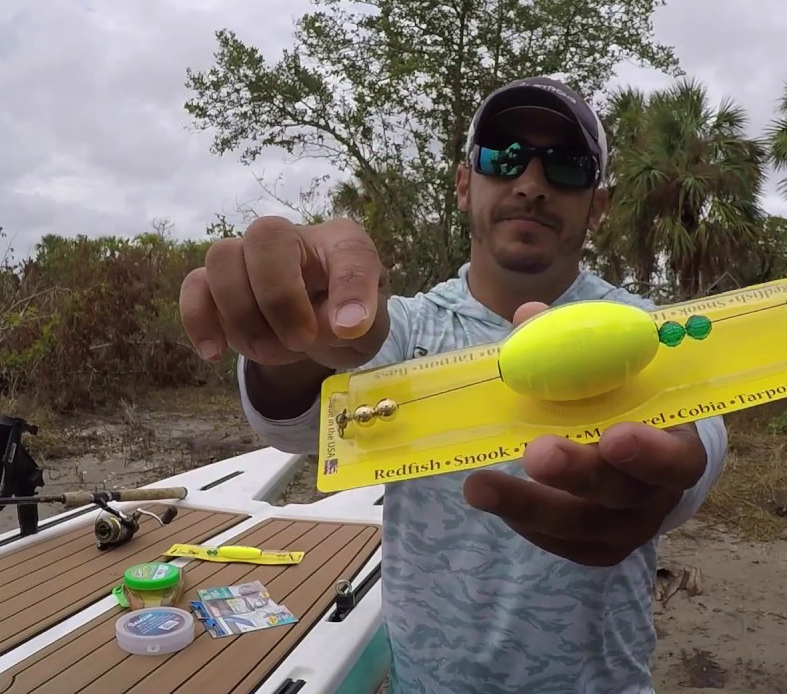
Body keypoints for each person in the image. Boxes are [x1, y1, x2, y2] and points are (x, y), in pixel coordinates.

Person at [179, 75, 728, 694]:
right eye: (504, 157)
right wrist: (295, 336)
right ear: (465, 185)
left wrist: (673, 478)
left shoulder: (643, 332)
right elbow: (296, 424)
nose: (531, 184)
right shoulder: (408, 332)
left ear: (596, 205)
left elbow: (701, 435)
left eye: (567, 167)